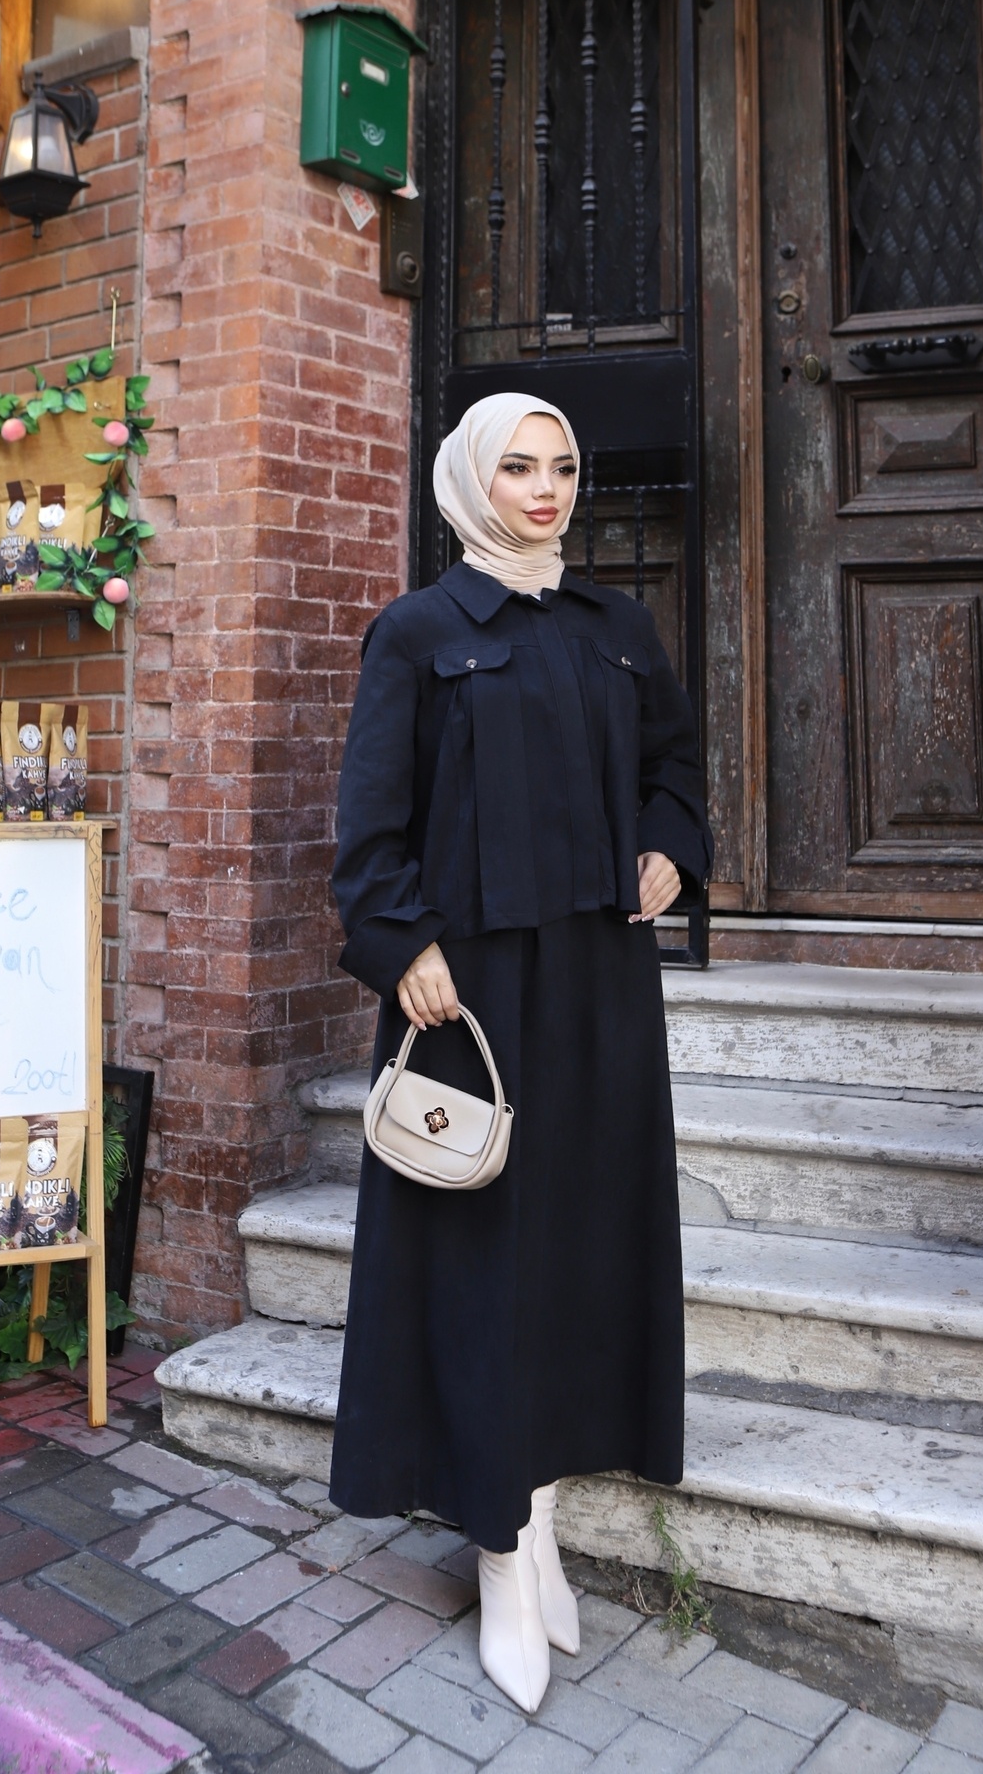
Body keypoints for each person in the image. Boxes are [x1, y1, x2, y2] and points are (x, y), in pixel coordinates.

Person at [329, 392, 713, 1713]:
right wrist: (401, 944)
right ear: (469, 482)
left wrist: (669, 844)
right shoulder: (419, 632)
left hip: (602, 988)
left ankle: (538, 1522)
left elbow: (675, 765)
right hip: (468, 997)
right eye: (518, 467)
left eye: (562, 467)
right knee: (484, 1269)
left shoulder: (618, 629)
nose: (546, 488)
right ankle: (499, 1550)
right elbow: (370, 821)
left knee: (578, 1262)